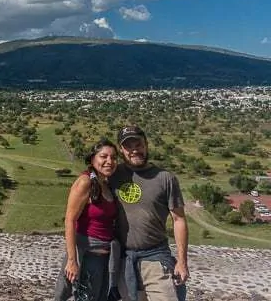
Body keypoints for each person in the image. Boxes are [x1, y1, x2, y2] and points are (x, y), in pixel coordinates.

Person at [111, 125, 189, 301]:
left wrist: (182, 262)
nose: (134, 150)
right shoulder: (113, 175)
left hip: (155, 258)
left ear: (146, 145)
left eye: (138, 144)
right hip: (123, 260)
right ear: (121, 150)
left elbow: (179, 220)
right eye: (128, 146)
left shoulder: (164, 178)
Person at [55, 139, 121, 301]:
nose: (109, 161)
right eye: (103, 156)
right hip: (86, 254)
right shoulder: (85, 182)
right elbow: (70, 220)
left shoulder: (106, 183)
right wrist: (72, 261)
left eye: (113, 158)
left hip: (103, 257)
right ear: (92, 159)